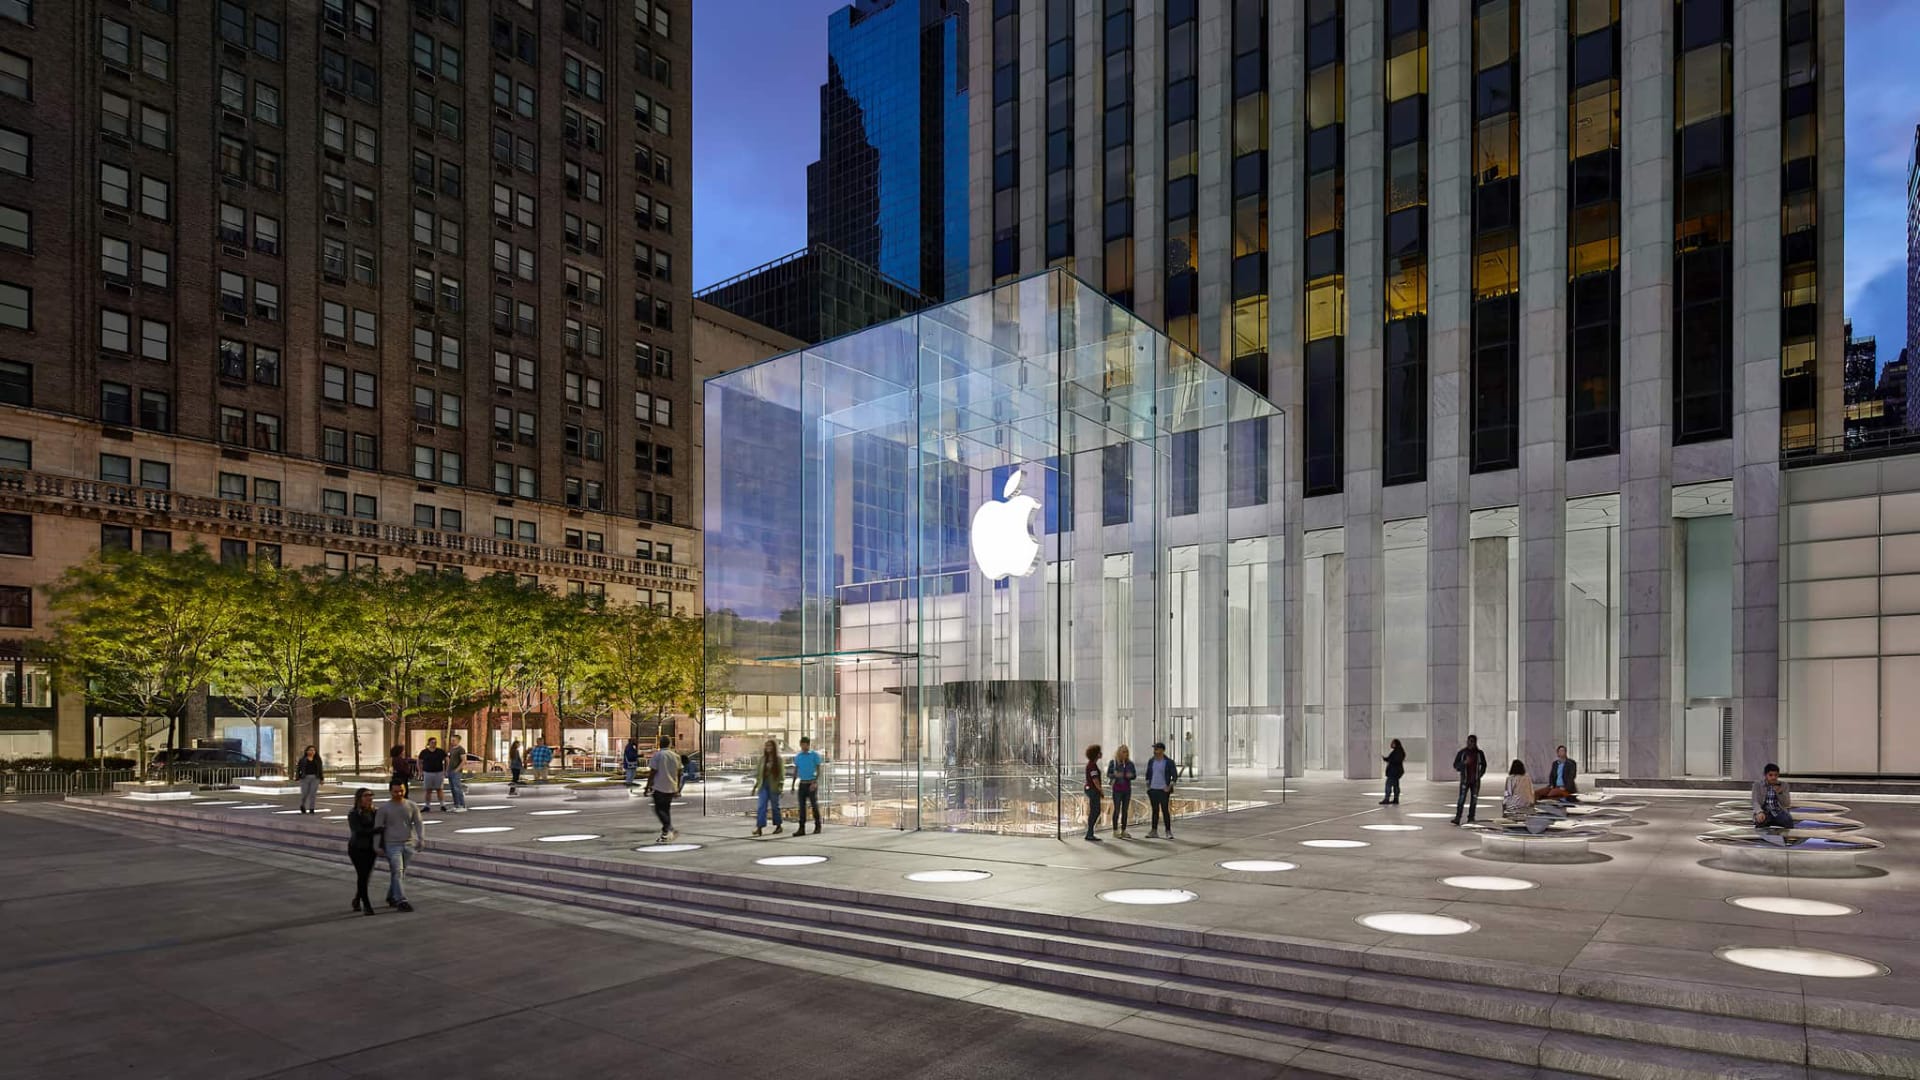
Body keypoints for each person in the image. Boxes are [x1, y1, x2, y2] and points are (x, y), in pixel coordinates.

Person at [374, 781, 424, 912]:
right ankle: (401, 899)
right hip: (392, 844)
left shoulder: (412, 805)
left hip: (408, 843)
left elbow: (418, 822)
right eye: (396, 791)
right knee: (397, 871)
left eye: (401, 790)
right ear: (390, 791)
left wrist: (421, 838)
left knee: (400, 873)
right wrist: (376, 845)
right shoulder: (384, 809)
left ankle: (391, 896)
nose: (399, 793)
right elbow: (378, 828)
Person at [346, 787, 379, 915]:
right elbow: (358, 831)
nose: (369, 798)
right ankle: (366, 904)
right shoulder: (354, 813)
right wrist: (376, 831)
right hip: (357, 848)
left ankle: (357, 899)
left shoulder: (375, 812)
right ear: (359, 798)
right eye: (366, 795)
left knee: (366, 876)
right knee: (362, 875)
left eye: (370, 795)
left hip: (371, 848)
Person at [645, 735, 682, 843]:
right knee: (666, 809)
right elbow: (680, 773)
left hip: (660, 786)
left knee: (659, 809)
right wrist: (678, 788)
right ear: (669, 744)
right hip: (671, 786)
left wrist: (648, 786)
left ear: (660, 743)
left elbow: (653, 772)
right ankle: (666, 832)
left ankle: (669, 829)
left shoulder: (658, 755)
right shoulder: (675, 756)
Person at [1449, 734, 1488, 825]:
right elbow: (1455, 765)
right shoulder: (1462, 753)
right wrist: (1463, 763)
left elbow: (1484, 765)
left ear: (1475, 743)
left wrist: (1480, 775)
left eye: (1472, 742)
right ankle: (1458, 817)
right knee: (1461, 799)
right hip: (1465, 780)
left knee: (1474, 800)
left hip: (1475, 781)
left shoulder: (1479, 753)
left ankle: (1471, 817)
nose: (1470, 743)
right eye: (1469, 741)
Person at [1144, 741, 1178, 839]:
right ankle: (1154, 831)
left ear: (1162, 750)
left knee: (1164, 810)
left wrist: (1169, 786)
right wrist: (1148, 785)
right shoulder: (1151, 761)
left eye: (1157, 749)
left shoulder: (1168, 762)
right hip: (1153, 789)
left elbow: (1174, 776)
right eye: (1154, 749)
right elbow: (1148, 774)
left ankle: (1168, 831)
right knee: (1155, 810)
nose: (1155, 751)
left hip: (1163, 790)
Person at [751, 739, 784, 837]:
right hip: (763, 785)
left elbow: (781, 775)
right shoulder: (762, 759)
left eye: (770, 746)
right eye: (767, 746)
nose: (768, 748)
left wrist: (780, 788)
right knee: (761, 806)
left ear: (774, 747)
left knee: (775, 807)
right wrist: (755, 787)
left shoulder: (778, 759)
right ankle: (759, 827)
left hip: (773, 786)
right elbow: (758, 775)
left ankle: (778, 826)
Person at [792, 735, 823, 835]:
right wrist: (793, 784)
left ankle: (818, 825)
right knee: (802, 807)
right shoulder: (798, 756)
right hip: (802, 783)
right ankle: (801, 828)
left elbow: (818, 770)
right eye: (802, 745)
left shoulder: (814, 755)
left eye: (806, 745)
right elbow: (796, 770)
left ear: (809, 745)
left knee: (814, 805)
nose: (804, 747)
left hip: (811, 783)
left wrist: (815, 782)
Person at [1107, 744, 1137, 838]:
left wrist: (1130, 776)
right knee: (1116, 809)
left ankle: (1124, 830)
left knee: (1125, 810)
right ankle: (1115, 830)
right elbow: (1109, 774)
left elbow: (1134, 775)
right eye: (1123, 752)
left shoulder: (1130, 764)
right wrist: (1115, 775)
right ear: (1119, 752)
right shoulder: (1114, 762)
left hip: (1127, 789)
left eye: (1127, 752)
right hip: (1117, 789)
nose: (1125, 754)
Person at [1752, 763, 1794, 829]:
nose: (1773, 777)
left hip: (1778, 811)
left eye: (1776, 775)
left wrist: (1780, 793)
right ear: (1765, 775)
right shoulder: (1757, 785)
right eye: (1770, 775)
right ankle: (1762, 838)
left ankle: (1786, 839)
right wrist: (1759, 812)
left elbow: (1786, 803)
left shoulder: (1784, 785)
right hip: (1764, 811)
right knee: (1760, 822)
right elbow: (1755, 801)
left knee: (1788, 821)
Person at [418, 737, 449, 814]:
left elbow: (447, 759)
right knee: (428, 790)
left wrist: (445, 770)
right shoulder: (424, 752)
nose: (434, 744)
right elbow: (419, 761)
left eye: (435, 742)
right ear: (429, 743)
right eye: (432, 742)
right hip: (428, 772)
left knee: (439, 789)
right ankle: (427, 806)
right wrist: (420, 771)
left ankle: (442, 805)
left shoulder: (440, 751)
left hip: (438, 772)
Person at [1083, 744, 1104, 842]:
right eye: (1099, 752)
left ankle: (1090, 832)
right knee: (1095, 811)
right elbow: (1095, 779)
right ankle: (1089, 833)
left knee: (1095, 810)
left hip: (1091, 789)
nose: (1101, 753)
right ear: (1096, 754)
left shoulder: (1092, 764)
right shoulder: (1092, 766)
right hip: (1093, 790)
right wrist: (1100, 790)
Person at [296, 745, 324, 814]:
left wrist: (321, 779)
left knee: (313, 794)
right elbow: (298, 769)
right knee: (304, 793)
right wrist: (297, 777)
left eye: (313, 750)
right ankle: (302, 805)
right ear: (307, 751)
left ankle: (312, 808)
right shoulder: (303, 760)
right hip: (305, 778)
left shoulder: (317, 760)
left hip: (315, 778)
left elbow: (320, 770)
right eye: (310, 750)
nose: (312, 751)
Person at [1380, 738, 1405, 806]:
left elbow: (1396, 760)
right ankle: (1396, 799)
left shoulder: (1398, 752)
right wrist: (1386, 759)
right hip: (1395, 771)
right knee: (1395, 785)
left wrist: (1389, 760)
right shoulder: (1397, 751)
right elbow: (1392, 759)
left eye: (1392, 743)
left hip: (1394, 772)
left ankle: (1387, 799)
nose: (1391, 744)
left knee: (1388, 785)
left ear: (1396, 744)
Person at [446, 736, 468, 812]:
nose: (452, 742)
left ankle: (462, 805)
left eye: (453, 740)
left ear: (458, 741)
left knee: (457, 788)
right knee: (453, 789)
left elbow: (464, 760)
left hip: (456, 772)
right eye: (451, 740)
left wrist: (457, 770)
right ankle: (456, 805)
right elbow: (449, 760)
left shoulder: (461, 749)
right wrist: (447, 769)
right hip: (450, 771)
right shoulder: (452, 749)